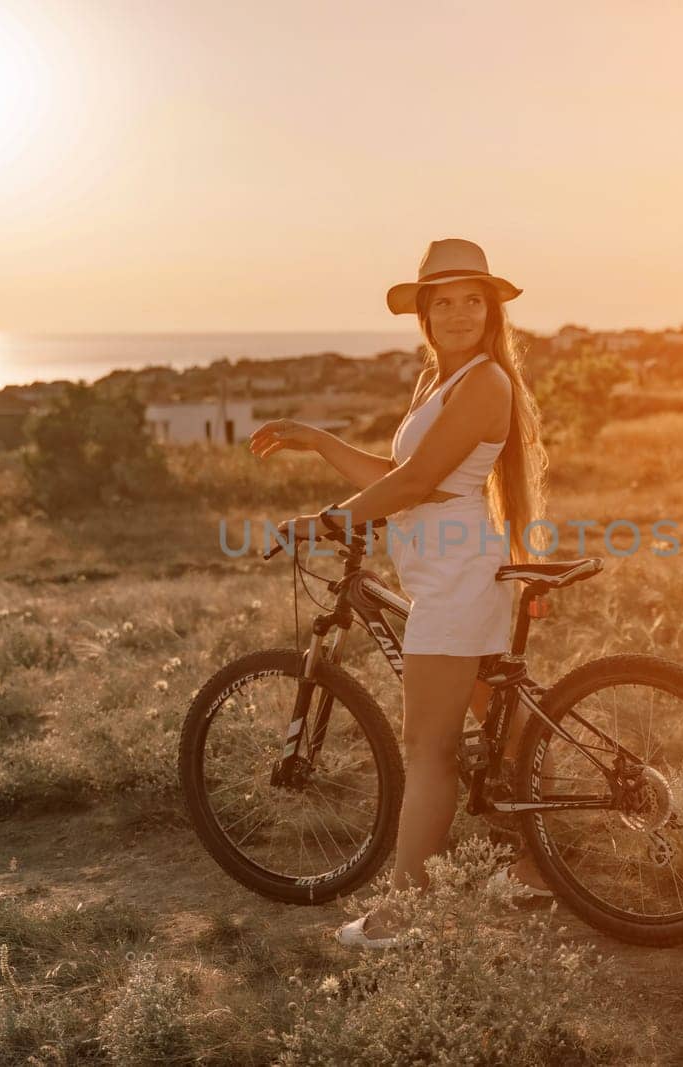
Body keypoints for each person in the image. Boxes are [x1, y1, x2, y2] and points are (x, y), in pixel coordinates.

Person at [249, 237, 552, 948]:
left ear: (489, 310)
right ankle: (531, 869)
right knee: (499, 734)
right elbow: (397, 470)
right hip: (443, 568)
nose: (457, 312)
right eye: (442, 301)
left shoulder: (483, 381)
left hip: (456, 575)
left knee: (428, 747)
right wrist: (318, 440)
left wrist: (325, 520)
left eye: (470, 300)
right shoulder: (437, 383)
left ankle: (408, 914)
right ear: (423, 313)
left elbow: (413, 487)